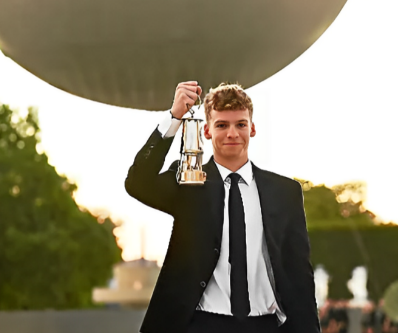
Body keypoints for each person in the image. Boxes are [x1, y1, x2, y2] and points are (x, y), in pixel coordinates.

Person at [125, 81, 320, 333]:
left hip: (267, 326)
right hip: (202, 324)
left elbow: (300, 273)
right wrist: (174, 117)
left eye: (240, 124)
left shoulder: (285, 192)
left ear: (252, 129)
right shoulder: (188, 183)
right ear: (206, 131)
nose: (232, 133)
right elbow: (137, 183)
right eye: (222, 125)